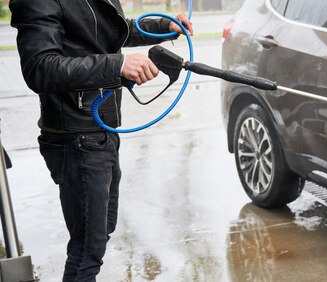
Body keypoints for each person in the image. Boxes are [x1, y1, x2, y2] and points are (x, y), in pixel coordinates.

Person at [9, 0, 192, 281]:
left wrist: (163, 27)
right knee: (87, 252)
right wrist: (118, 64)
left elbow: (113, 31)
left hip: (102, 132)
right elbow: (40, 67)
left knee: (100, 232)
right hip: (76, 137)